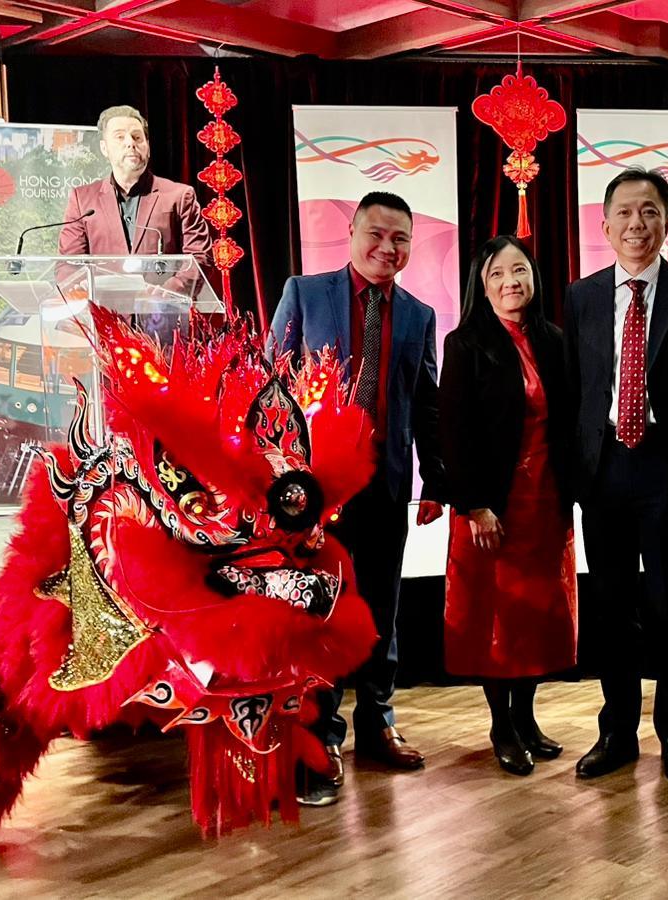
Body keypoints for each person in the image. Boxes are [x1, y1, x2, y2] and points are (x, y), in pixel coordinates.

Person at [267, 191, 446, 805]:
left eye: (400, 238)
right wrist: (276, 474)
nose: (386, 248)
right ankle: (320, 733)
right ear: (350, 231)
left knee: (380, 608)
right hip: (312, 494)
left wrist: (435, 482)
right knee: (316, 611)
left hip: (385, 486)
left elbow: (425, 405)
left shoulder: (420, 317)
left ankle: (378, 721)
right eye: (376, 233)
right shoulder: (304, 293)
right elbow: (270, 389)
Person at [564, 168, 668, 786]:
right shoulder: (581, 297)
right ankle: (616, 734)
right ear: (604, 225)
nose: (638, 224)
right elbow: (574, 391)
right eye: (626, 213)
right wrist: (578, 470)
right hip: (603, 469)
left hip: (664, 468)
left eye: (650, 211)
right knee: (611, 610)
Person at [438, 235, 577, 776]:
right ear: (481, 283)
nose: (510, 283)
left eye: (519, 271)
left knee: (537, 617)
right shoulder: (466, 343)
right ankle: (502, 725)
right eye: (497, 274)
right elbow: (455, 431)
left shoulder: (555, 340)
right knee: (495, 620)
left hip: (546, 499)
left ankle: (526, 717)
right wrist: (474, 504)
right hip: (491, 504)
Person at [59, 105, 212, 302]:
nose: (130, 143)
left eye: (137, 137)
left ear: (147, 146)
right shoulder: (82, 200)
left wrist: (168, 293)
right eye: (120, 137)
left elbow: (200, 257)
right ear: (104, 148)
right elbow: (68, 264)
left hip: (163, 317)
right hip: (104, 318)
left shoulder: (179, 196)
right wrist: (78, 287)